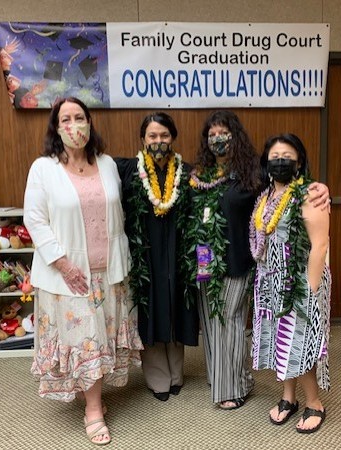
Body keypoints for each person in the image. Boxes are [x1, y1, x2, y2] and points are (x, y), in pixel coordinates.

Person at [187, 110, 330, 410]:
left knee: (234, 323)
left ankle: (237, 387)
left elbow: (297, 188)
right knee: (214, 325)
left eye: (223, 133)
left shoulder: (254, 172)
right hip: (210, 261)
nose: (217, 140)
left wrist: (322, 188)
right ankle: (223, 379)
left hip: (243, 261)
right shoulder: (200, 174)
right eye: (211, 135)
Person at [23, 97, 143, 445]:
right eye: (66, 119)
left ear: (90, 123)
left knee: (99, 339)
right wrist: (62, 262)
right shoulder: (43, 168)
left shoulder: (105, 164)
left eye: (80, 117)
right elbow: (34, 218)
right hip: (67, 274)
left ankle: (91, 395)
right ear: (56, 128)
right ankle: (93, 410)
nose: (74, 125)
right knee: (85, 341)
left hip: (109, 270)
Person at [249, 133, 331, 433]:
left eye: (287, 156)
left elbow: (320, 245)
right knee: (279, 343)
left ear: (299, 162)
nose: (280, 161)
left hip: (298, 282)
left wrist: (307, 292)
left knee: (299, 342)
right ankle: (288, 397)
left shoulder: (309, 193)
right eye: (274, 156)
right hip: (270, 280)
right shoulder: (266, 195)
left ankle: (314, 403)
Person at [115, 112, 199, 402]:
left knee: (176, 307)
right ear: (143, 139)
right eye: (153, 136)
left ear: (172, 138)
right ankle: (157, 378)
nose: (159, 141)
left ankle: (176, 374)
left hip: (178, 258)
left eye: (164, 136)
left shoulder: (186, 173)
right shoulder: (129, 171)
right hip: (146, 259)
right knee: (151, 310)